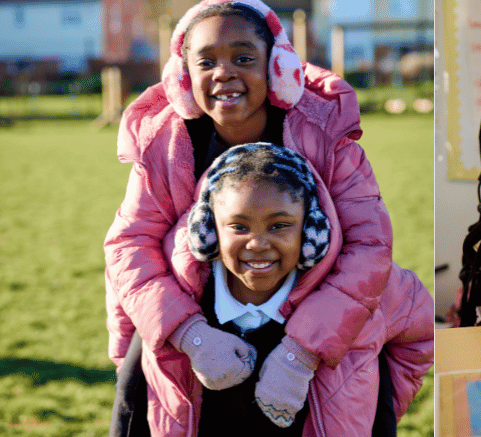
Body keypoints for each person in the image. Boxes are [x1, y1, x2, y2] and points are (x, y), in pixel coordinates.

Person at [103, 0, 430, 434]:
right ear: (183, 78)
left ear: (276, 67)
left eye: (243, 57)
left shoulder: (326, 135)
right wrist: (188, 335)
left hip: (313, 320)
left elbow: (369, 246)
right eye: (206, 62)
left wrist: (303, 350)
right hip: (199, 321)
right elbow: (129, 245)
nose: (225, 73)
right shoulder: (164, 146)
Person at [144, 142, 432, 435]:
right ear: (207, 230)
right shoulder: (174, 292)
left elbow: (422, 332)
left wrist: (380, 414)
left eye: (279, 225)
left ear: (310, 229)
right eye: (239, 227)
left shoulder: (369, 293)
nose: (257, 244)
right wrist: (190, 339)